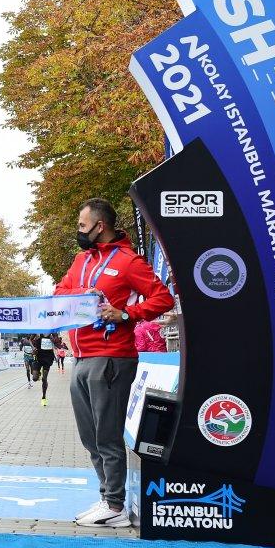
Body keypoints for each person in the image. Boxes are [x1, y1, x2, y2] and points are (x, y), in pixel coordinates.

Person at [55, 198, 173, 528]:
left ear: (100, 226)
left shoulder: (128, 261)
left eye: (82, 225)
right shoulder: (81, 260)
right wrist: (81, 294)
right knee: (89, 436)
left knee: (106, 434)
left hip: (111, 357)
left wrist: (125, 314)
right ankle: (108, 495)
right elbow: (59, 291)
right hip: (80, 356)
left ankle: (116, 503)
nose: (79, 230)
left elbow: (162, 297)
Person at [35, 334, 56, 406]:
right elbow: (29, 340)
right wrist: (33, 348)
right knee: (34, 378)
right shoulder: (38, 330)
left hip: (48, 358)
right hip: (39, 357)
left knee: (44, 379)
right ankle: (38, 374)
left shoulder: (52, 331)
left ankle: (44, 397)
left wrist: (54, 340)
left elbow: (58, 345)